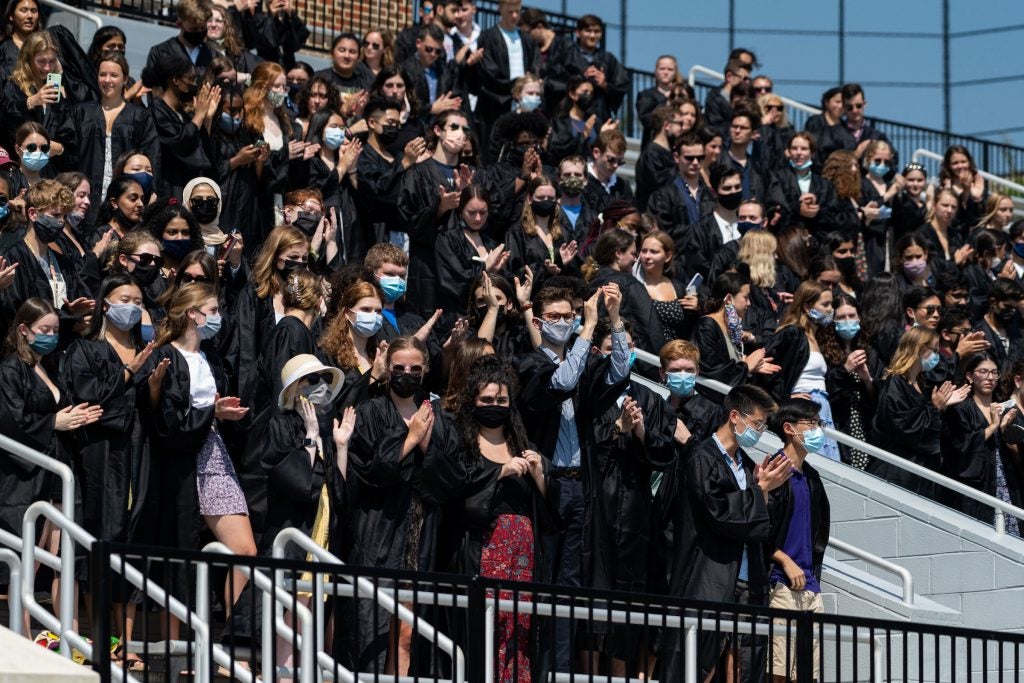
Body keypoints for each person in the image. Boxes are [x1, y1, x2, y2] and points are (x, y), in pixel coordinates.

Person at [658, 384, 791, 683]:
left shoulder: (745, 464)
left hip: (746, 578)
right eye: (757, 423)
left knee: (741, 664)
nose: (759, 431)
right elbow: (718, 512)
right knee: (701, 664)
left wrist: (763, 492)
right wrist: (760, 490)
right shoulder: (703, 458)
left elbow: (757, 521)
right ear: (735, 416)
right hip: (710, 576)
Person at [346, 335, 462, 674]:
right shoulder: (370, 412)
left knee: (409, 629)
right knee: (374, 623)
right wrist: (408, 440)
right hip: (380, 524)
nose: (406, 374)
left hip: (422, 527)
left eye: (414, 368)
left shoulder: (436, 414)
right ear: (387, 370)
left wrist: (427, 446)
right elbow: (368, 472)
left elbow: (453, 478)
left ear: (425, 370)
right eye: (398, 368)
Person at [142, 283, 254, 634]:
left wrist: (223, 414)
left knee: (244, 550)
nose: (218, 317)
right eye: (213, 310)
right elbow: (170, 422)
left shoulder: (210, 357)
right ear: (192, 313)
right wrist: (212, 412)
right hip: (182, 461)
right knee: (179, 553)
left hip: (214, 454)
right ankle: (176, 649)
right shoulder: (168, 356)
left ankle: (230, 634)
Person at [62, 274, 154, 661]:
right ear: (104, 303)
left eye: (136, 300)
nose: (130, 306)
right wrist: (129, 374)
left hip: (139, 452)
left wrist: (152, 382)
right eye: (122, 298)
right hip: (100, 456)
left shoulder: (148, 348)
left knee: (132, 543)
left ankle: (127, 643)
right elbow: (91, 401)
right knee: (99, 537)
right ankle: (101, 638)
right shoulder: (86, 349)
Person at [448, 355, 554, 681]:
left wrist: (539, 475)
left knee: (518, 628)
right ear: (474, 401)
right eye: (488, 400)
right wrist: (498, 475)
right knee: (486, 625)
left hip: (522, 553)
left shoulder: (522, 444)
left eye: (502, 400)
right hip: (483, 549)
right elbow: (457, 497)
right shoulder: (462, 443)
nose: (495, 405)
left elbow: (552, 512)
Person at [0, 298, 102, 631]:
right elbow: (11, 421)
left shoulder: (51, 365)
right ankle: (24, 635)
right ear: (24, 329)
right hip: (27, 476)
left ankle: (67, 634)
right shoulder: (11, 368)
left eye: (56, 330)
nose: (51, 336)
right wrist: (53, 423)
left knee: (64, 559)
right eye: (44, 330)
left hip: (58, 470)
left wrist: (76, 418)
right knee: (28, 558)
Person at [766, 397, 832, 683]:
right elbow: (759, 528)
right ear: (790, 429)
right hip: (780, 582)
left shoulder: (812, 477)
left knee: (806, 673)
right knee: (778, 670)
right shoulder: (773, 471)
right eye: (813, 424)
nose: (819, 430)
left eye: (820, 424)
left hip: (810, 584)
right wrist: (784, 560)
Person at [869, 326, 970, 498]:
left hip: (919, 473)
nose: (936, 356)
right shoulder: (895, 383)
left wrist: (942, 405)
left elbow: (925, 421)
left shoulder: (920, 383)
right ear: (920, 349)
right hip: (899, 472)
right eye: (934, 350)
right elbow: (905, 427)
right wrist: (935, 406)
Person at [59, 53, 160, 221]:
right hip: (85, 201)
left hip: (124, 203)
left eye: (114, 75)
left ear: (125, 79)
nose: (107, 80)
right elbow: (68, 154)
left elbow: (153, 158)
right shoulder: (82, 112)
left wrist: (150, 195)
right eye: (102, 74)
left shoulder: (139, 116)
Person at [763, 280, 843, 461]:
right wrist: (787, 399)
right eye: (825, 304)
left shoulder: (817, 336)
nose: (830, 309)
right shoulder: (791, 333)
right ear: (807, 306)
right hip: (801, 408)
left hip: (821, 408)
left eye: (831, 304)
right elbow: (770, 371)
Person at [942, 352, 1021, 527]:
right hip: (977, 485)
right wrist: (992, 427)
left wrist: (1004, 429)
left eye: (994, 372)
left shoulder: (1005, 406)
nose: (990, 377)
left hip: (1005, 480)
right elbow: (960, 447)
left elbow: (1016, 451)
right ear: (970, 376)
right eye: (983, 372)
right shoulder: (961, 408)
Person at [142, 53, 218, 198]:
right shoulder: (156, 112)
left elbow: (203, 155)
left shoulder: (184, 115)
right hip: (168, 188)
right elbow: (180, 143)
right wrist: (199, 115)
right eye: (191, 79)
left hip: (187, 189)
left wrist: (206, 118)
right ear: (176, 80)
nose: (194, 84)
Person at [692, 271, 779, 387]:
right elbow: (713, 370)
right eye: (746, 297)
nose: (749, 303)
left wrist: (750, 364)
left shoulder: (729, 327)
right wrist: (746, 366)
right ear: (728, 299)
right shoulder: (707, 326)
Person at [544, 13, 629, 125]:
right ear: (578, 33)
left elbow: (621, 87)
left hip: (599, 119)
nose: (592, 35)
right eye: (588, 31)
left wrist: (605, 85)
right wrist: (581, 79)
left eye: (597, 31)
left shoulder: (609, 59)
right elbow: (552, 81)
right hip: (570, 119)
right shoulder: (566, 54)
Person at [1, 31, 70, 153]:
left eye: (52, 61)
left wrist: (60, 148)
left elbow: (68, 133)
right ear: (28, 59)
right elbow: (7, 117)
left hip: (50, 166)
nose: (47, 68)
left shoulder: (54, 90)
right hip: (19, 164)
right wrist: (31, 101)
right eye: (41, 61)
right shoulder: (14, 86)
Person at [647, 133, 715, 246]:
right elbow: (663, 233)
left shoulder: (710, 195)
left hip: (707, 260)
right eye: (689, 158)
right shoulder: (662, 196)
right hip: (676, 259)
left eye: (700, 158)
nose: (695, 162)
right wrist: (699, 231)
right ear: (676, 157)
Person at [768, 132, 840, 235]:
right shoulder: (777, 178)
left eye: (804, 149)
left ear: (812, 153)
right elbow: (773, 207)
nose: (798, 152)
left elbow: (833, 215)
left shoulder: (824, 184)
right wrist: (797, 208)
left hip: (816, 240)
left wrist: (817, 211)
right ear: (788, 152)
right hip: (786, 238)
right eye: (794, 148)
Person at [637, 229, 700, 341]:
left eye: (653, 252)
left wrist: (695, 309)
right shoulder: (634, 286)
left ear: (668, 256)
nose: (647, 256)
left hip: (676, 354)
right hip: (647, 355)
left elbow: (688, 327)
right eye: (644, 251)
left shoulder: (678, 288)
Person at [634, 104, 684, 211]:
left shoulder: (671, 152)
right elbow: (659, 185)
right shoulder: (651, 154)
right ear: (666, 125)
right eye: (679, 123)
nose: (682, 128)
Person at [145, 0, 214, 77]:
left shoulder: (213, 57)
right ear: (179, 24)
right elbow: (152, 85)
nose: (199, 32)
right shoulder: (160, 53)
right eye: (194, 29)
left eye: (202, 28)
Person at [635, 55, 681, 148]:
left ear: (675, 72)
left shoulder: (682, 95)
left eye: (670, 69)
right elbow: (647, 120)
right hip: (653, 145)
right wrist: (668, 101)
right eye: (662, 69)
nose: (666, 72)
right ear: (656, 71)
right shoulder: (645, 95)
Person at [702, 57, 750, 137]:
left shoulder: (743, 100)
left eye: (748, 79)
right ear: (729, 76)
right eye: (744, 78)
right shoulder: (714, 98)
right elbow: (716, 126)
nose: (747, 82)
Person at [0, 0, 40, 79]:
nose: (30, 16)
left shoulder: (46, 45)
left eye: (34, 11)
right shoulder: (3, 50)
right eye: (23, 10)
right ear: (11, 16)